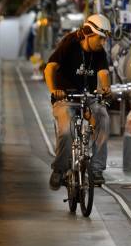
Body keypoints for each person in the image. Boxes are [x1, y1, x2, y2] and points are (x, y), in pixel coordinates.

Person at [44, 14, 112, 190]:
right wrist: (54, 91)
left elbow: (103, 73)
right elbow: (50, 68)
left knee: (102, 117)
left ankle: (96, 169)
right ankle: (59, 170)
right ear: (88, 33)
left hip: (87, 96)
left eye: (105, 40)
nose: (103, 43)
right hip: (65, 97)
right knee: (66, 131)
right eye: (101, 38)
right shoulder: (70, 43)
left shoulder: (99, 53)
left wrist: (106, 90)